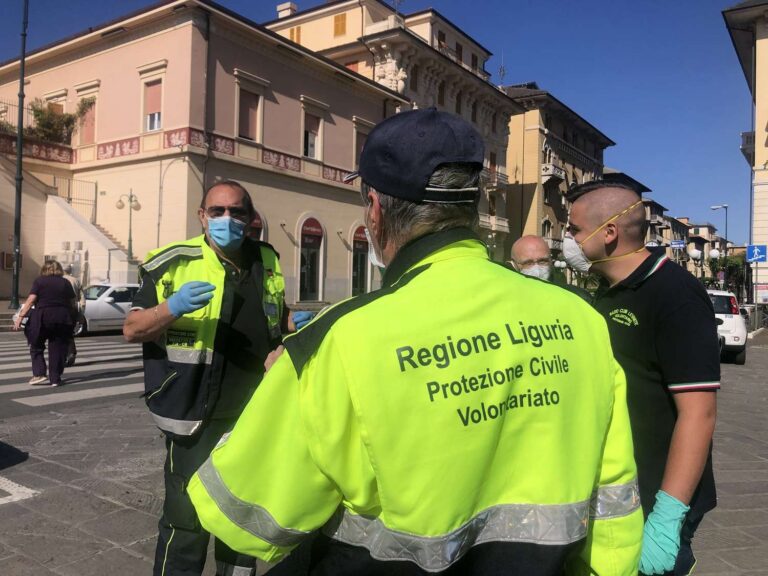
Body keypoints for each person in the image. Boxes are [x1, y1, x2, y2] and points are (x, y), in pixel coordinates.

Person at [187, 109, 642, 575]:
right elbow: (614, 509)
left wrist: (277, 391)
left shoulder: (339, 339)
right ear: (472, 206)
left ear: (375, 210)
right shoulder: (581, 319)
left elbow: (242, 517)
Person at [124, 180, 299, 576]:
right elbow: (132, 329)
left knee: (240, 523)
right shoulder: (173, 262)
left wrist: (294, 323)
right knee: (185, 525)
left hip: (253, 418)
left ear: (250, 219)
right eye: (217, 211)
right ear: (202, 216)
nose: (226, 219)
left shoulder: (267, 259)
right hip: (193, 419)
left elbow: (274, 314)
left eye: (236, 212)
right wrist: (172, 306)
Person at [564, 180, 719, 576]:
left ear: (609, 233)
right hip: (619, 487)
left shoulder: (675, 293)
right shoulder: (608, 290)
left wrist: (668, 516)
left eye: (575, 229)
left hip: (660, 494)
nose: (569, 239)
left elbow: (699, 412)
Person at [13, 260, 77, 387]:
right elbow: (72, 302)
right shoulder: (65, 282)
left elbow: (31, 300)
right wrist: (74, 317)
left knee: (36, 345)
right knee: (57, 348)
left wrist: (21, 316)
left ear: (44, 269)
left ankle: (39, 373)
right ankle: (55, 379)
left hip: (42, 317)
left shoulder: (40, 281)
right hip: (62, 317)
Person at [510, 235, 591, 301]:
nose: (537, 269)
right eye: (528, 263)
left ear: (550, 260)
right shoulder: (507, 298)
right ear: (514, 264)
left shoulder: (578, 298)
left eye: (542, 261)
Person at [63, 264, 85, 367]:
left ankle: (65, 355)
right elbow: (82, 300)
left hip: (61, 309)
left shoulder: (59, 280)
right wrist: (81, 314)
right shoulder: (76, 281)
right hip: (73, 309)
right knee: (69, 332)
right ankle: (71, 352)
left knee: (60, 334)